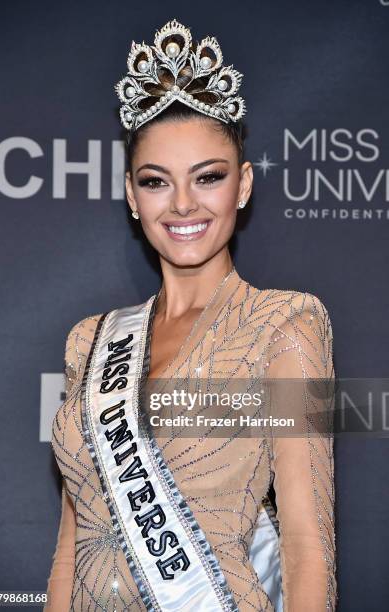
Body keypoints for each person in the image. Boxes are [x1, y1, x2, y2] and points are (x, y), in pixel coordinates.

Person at [45, 18, 337, 612]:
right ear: (131, 195)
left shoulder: (285, 324)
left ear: (244, 186)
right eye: (157, 182)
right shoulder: (90, 342)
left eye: (208, 177)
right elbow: (72, 543)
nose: (183, 203)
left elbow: (307, 546)